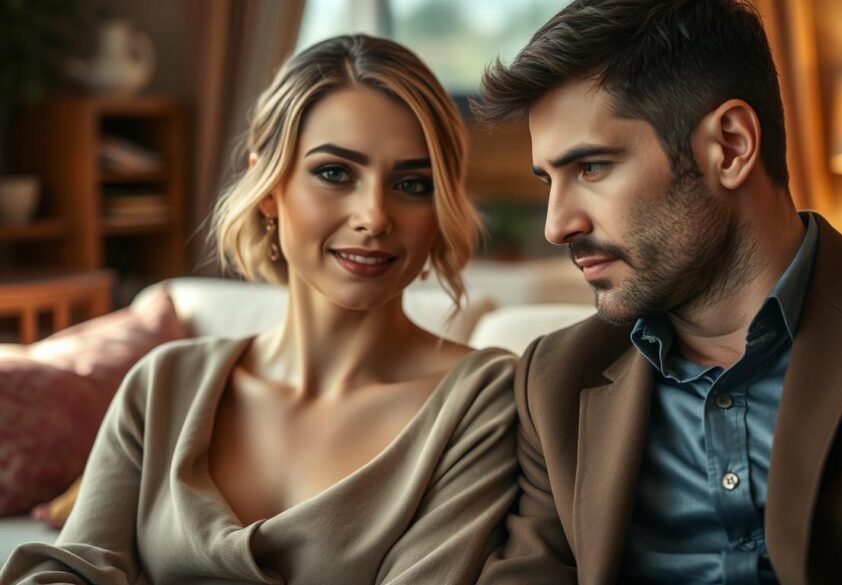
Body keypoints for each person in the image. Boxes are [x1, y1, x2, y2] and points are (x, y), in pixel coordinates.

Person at [472, 1, 842, 584]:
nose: (557, 225)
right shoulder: (555, 380)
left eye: (590, 168)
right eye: (547, 180)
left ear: (730, 146)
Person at [1, 34, 517, 585]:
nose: (374, 215)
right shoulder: (164, 384)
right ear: (269, 187)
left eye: (412, 184)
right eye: (335, 173)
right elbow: (72, 572)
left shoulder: (484, 402)